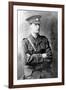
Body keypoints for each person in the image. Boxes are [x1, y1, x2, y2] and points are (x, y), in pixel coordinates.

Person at [22, 15, 53, 79]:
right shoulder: (25, 42)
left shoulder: (44, 39)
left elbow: (50, 56)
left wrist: (32, 57)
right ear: (30, 25)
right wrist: (42, 56)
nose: (38, 27)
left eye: (39, 24)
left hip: (44, 71)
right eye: (35, 25)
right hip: (31, 73)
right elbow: (26, 60)